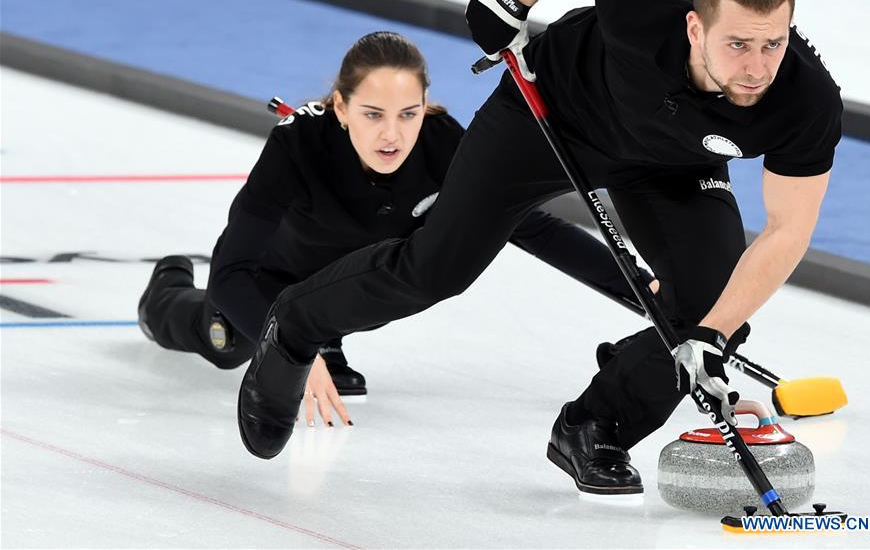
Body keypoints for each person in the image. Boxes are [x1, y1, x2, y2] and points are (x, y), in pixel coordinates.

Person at [237, 0, 840, 494]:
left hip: (669, 163)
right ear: (694, 27)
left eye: (773, 43)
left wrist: (711, 335)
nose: (758, 68)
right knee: (436, 269)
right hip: (553, 114)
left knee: (714, 301)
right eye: (737, 45)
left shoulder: (804, 100)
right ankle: (295, 325)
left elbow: (788, 228)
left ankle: (594, 426)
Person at [139, 30, 654, 427]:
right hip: (268, 286)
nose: (392, 134)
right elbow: (232, 275)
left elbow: (532, 228)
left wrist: (643, 289)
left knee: (398, 272)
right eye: (372, 114)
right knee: (226, 343)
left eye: (408, 113)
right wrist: (282, 350)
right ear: (340, 107)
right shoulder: (297, 145)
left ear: (426, 104)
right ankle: (165, 291)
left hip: (354, 289)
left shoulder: (444, 146)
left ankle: (327, 336)